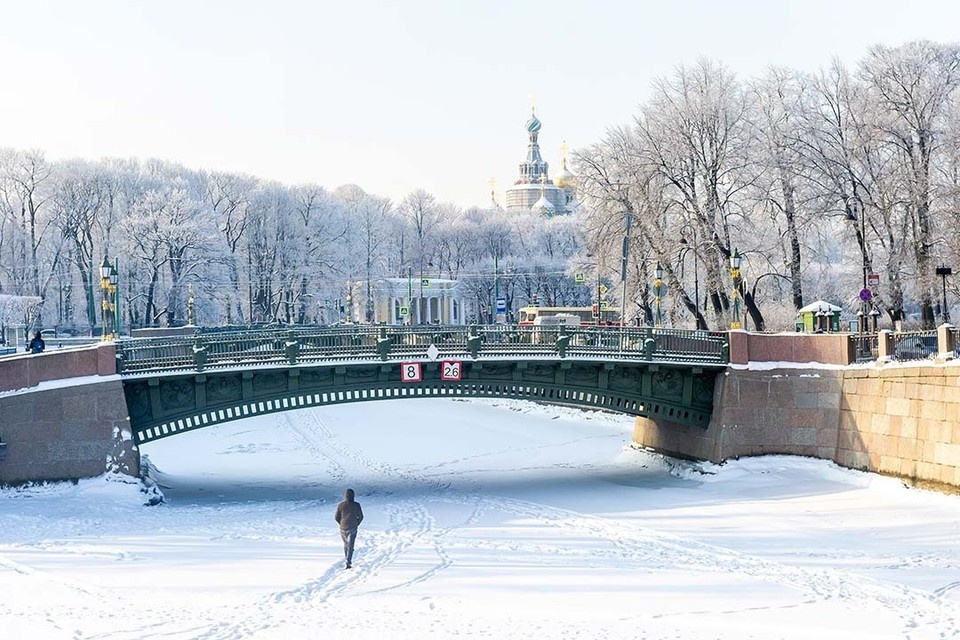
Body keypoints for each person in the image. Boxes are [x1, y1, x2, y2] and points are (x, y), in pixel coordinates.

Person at [334, 488, 363, 569]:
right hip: (353, 527)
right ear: (353, 496)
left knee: (346, 544)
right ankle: (348, 562)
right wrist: (356, 523)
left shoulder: (341, 505)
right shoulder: (357, 505)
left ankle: (347, 557)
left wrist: (341, 523)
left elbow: (336, 517)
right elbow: (361, 517)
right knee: (351, 545)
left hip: (343, 528)